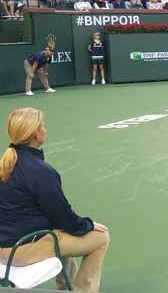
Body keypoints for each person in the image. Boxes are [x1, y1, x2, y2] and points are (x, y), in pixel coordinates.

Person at [0, 108, 110, 292]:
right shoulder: (41, 171)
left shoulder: (6, 165)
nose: (45, 129)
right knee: (101, 237)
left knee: (58, 232)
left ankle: (66, 287)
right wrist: (88, 225)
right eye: (42, 126)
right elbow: (64, 218)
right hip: (21, 250)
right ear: (35, 134)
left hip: (5, 247)